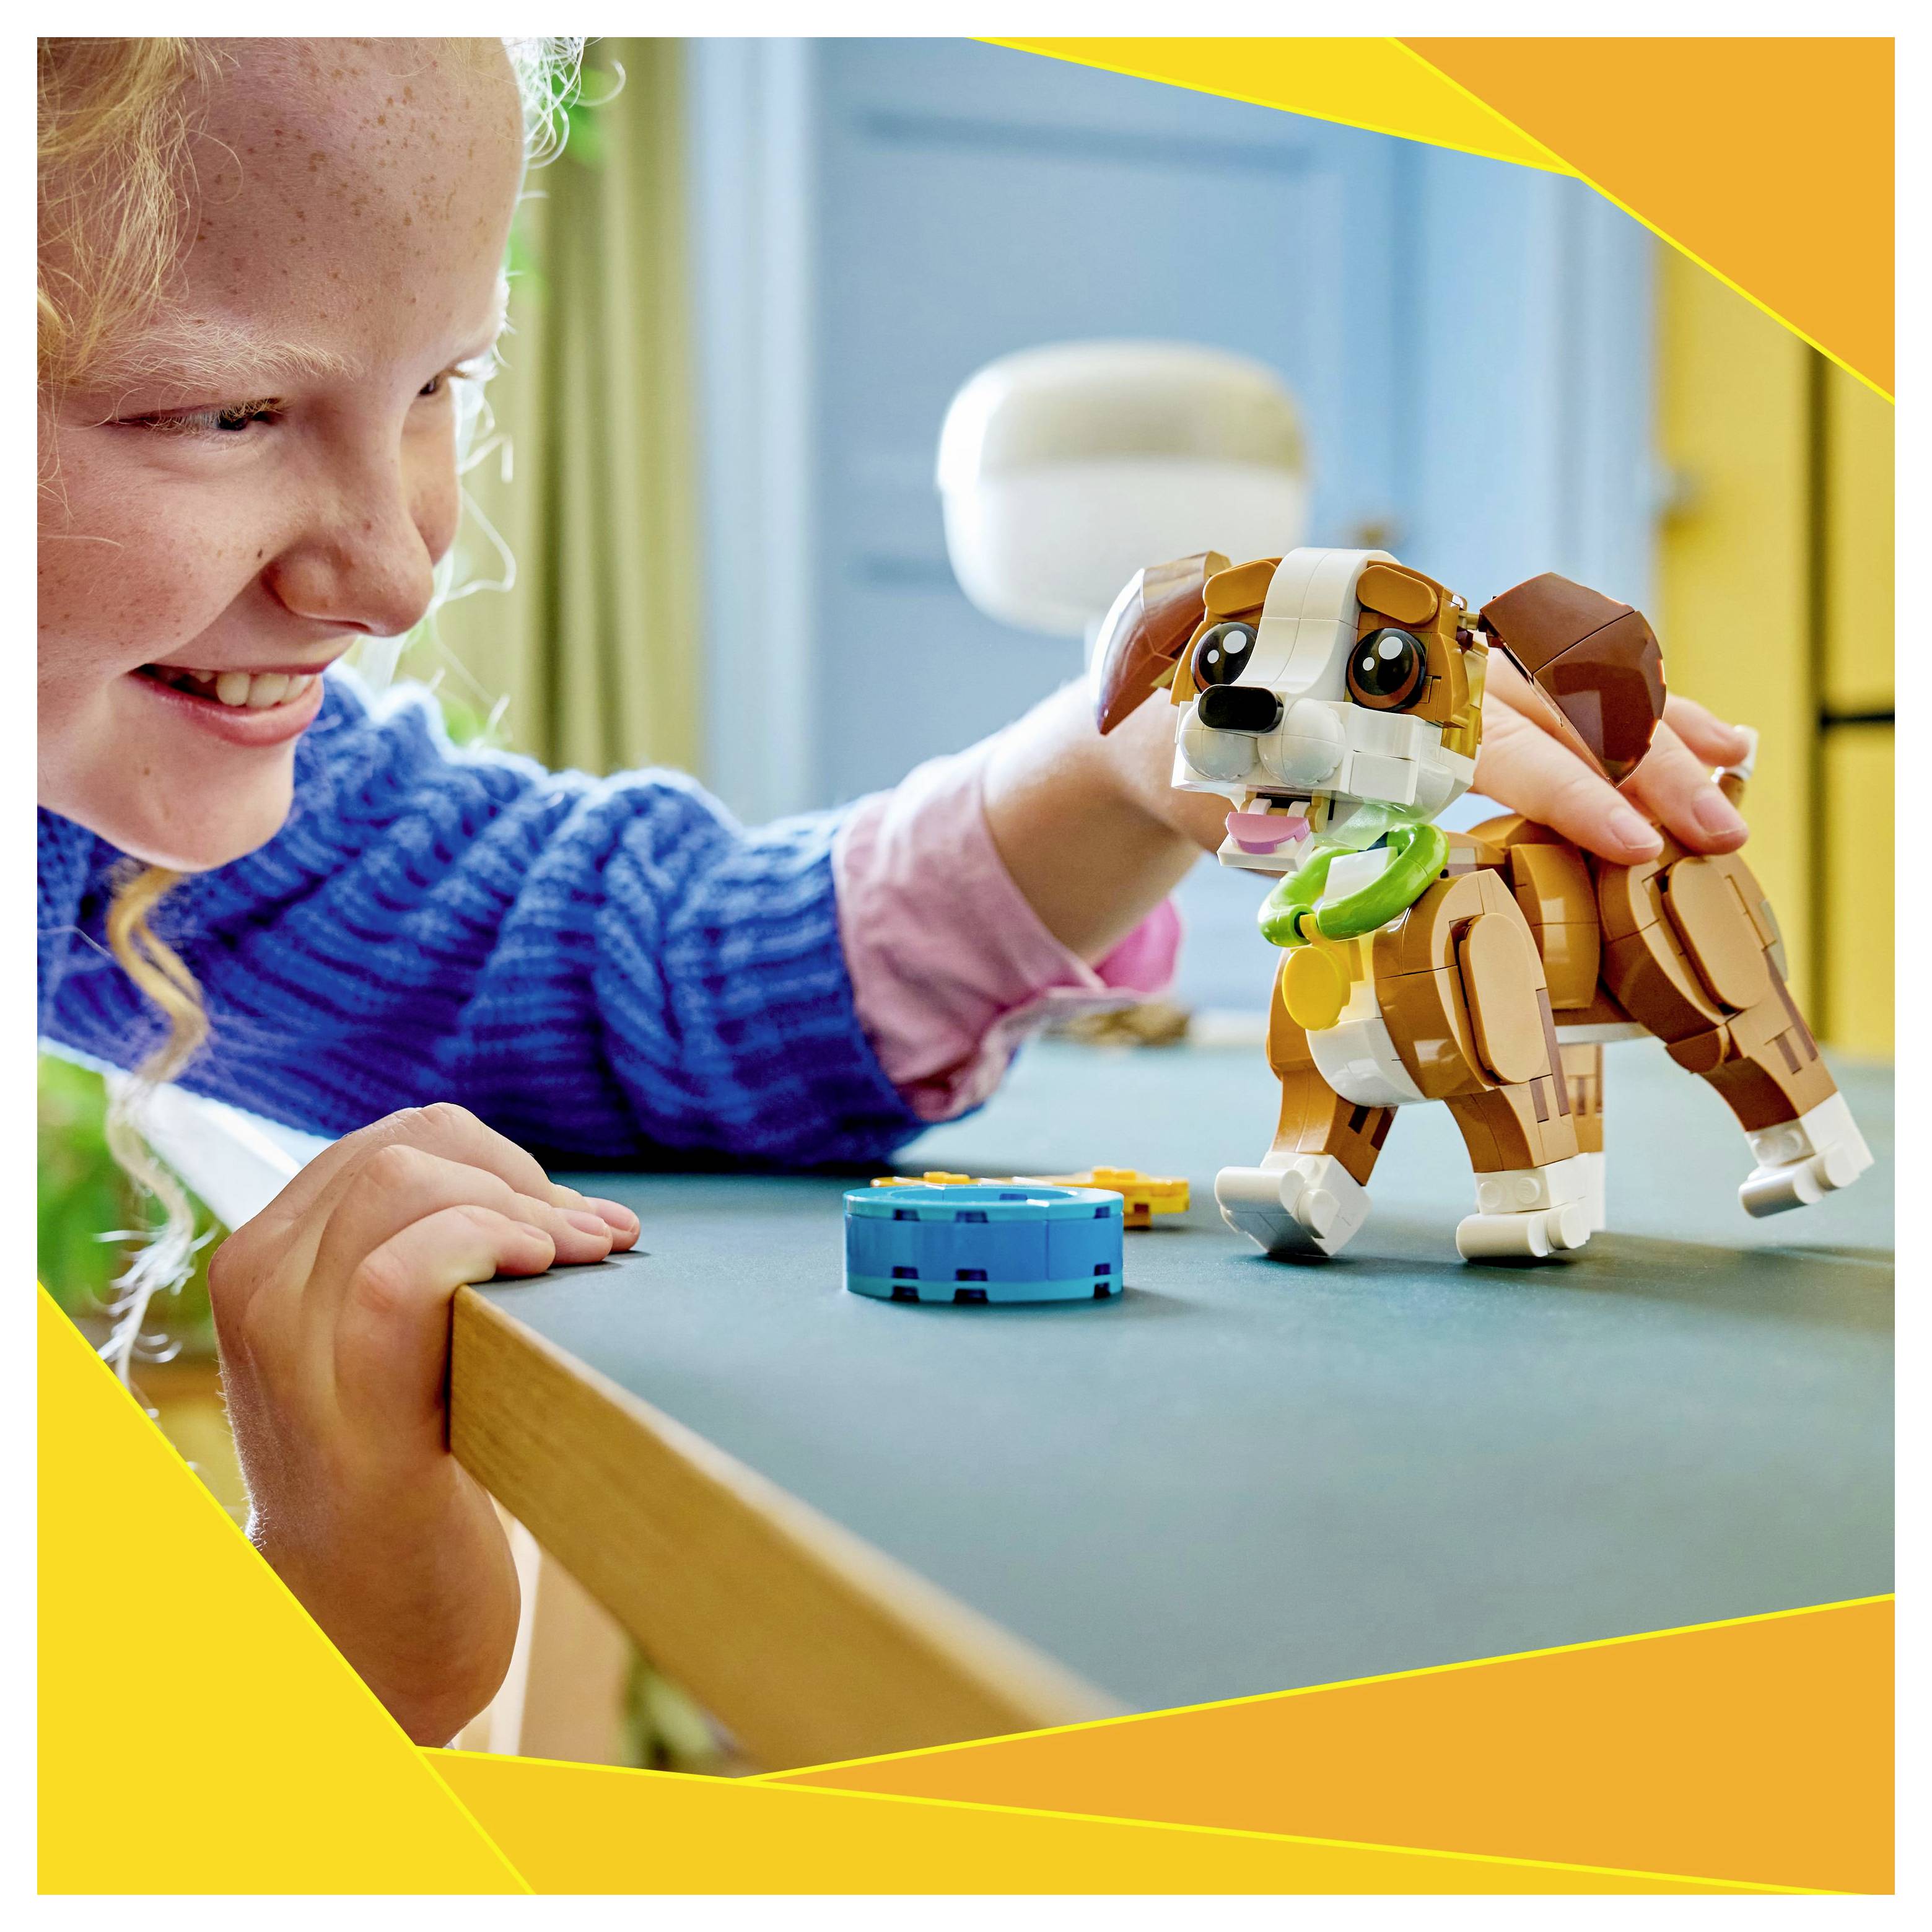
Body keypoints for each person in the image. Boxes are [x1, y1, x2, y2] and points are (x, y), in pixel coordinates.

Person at [36, 36, 1756, 1744]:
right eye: (221, 412)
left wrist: (1108, 763)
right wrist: (320, 1660)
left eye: (444, 385)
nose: (401, 574)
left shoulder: (114, 823)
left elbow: (632, 968)